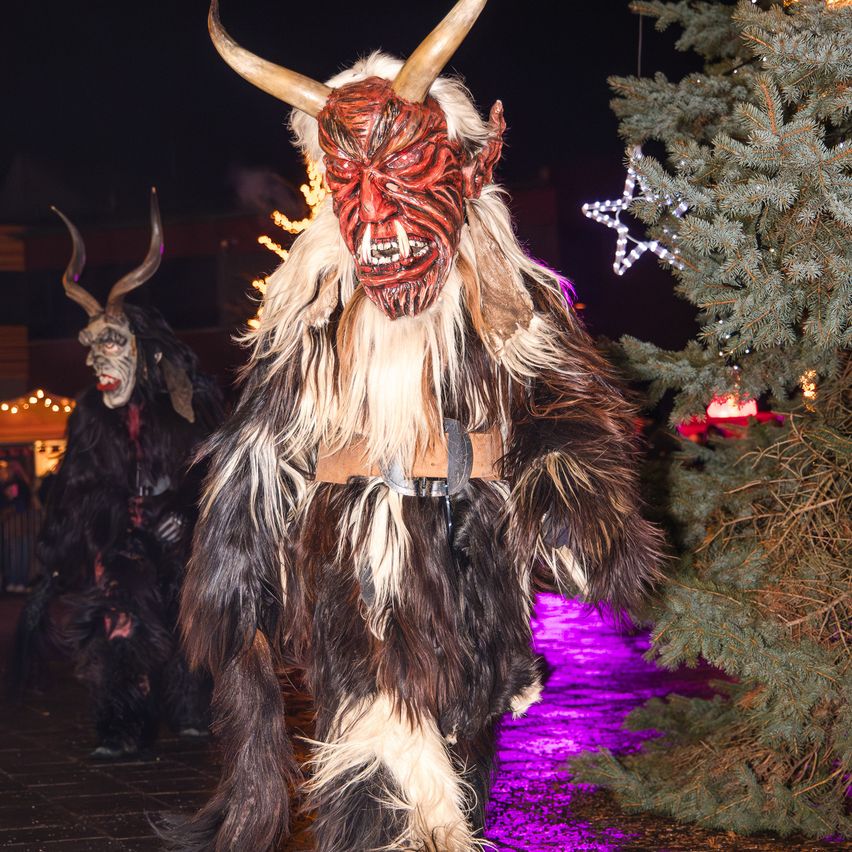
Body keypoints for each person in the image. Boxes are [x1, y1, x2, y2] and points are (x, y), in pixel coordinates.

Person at [170, 2, 663, 849]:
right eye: (354, 188)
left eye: (402, 177)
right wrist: (237, 555)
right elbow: (263, 442)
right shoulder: (314, 312)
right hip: (354, 565)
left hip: (468, 560)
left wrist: (576, 502)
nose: (384, 226)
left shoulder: (502, 302)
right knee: (380, 769)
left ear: (462, 171)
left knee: (461, 758)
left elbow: (562, 407)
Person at [13, 190, 224, 759]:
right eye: (89, 345)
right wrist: (80, 541)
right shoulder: (88, 414)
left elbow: (211, 471)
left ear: (140, 348)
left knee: (184, 624)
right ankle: (119, 726)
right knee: (118, 625)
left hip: (176, 536)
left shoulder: (180, 405)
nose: (94, 359)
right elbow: (74, 483)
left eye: (108, 342)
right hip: (119, 538)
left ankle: (187, 709)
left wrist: (189, 516)